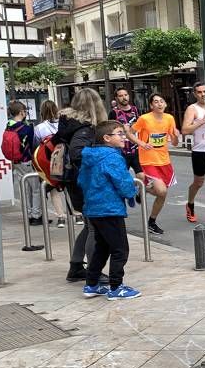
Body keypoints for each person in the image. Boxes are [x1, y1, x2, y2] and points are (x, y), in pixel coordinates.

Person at [77, 120, 140, 299]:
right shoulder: (112, 157)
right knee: (120, 249)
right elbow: (123, 181)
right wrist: (131, 192)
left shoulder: (90, 156)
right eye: (120, 133)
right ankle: (116, 287)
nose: (124, 137)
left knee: (102, 247)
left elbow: (81, 181)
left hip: (93, 208)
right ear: (107, 138)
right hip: (109, 208)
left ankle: (91, 284)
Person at [53, 88, 108, 283]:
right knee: (95, 228)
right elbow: (78, 153)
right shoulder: (84, 128)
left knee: (88, 225)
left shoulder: (69, 125)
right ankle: (94, 272)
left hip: (72, 182)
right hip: (83, 182)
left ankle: (76, 266)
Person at [131, 92, 179, 235]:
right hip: (148, 160)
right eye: (156, 102)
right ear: (151, 105)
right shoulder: (144, 119)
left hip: (164, 160)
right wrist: (141, 143)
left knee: (162, 195)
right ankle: (142, 187)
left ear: (165, 104)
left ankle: (152, 221)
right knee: (161, 190)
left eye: (161, 101)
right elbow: (129, 132)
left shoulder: (169, 118)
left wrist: (175, 135)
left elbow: (175, 143)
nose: (159, 104)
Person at [5, 101, 42, 225]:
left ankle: (27, 215)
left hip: (16, 161)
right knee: (36, 189)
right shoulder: (27, 128)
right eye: (25, 111)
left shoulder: (9, 126)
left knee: (24, 189)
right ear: (21, 112)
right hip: (27, 161)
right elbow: (33, 145)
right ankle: (36, 215)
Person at [33, 99, 67, 228]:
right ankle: (77, 214)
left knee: (53, 188)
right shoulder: (64, 124)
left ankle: (61, 217)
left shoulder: (40, 128)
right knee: (69, 186)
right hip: (65, 158)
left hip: (49, 161)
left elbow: (36, 146)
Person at [181, 81, 205, 223]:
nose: (203, 94)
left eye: (204, 91)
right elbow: (185, 130)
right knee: (199, 182)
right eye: (199, 92)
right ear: (194, 94)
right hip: (200, 150)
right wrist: (202, 121)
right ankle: (190, 203)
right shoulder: (193, 109)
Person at [110, 88, 144, 181]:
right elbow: (110, 130)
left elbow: (141, 125)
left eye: (125, 95)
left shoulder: (135, 110)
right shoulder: (114, 112)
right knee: (122, 177)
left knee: (141, 176)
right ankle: (127, 194)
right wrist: (121, 129)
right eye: (120, 96)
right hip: (121, 150)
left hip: (135, 148)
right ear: (116, 98)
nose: (124, 98)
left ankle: (138, 195)